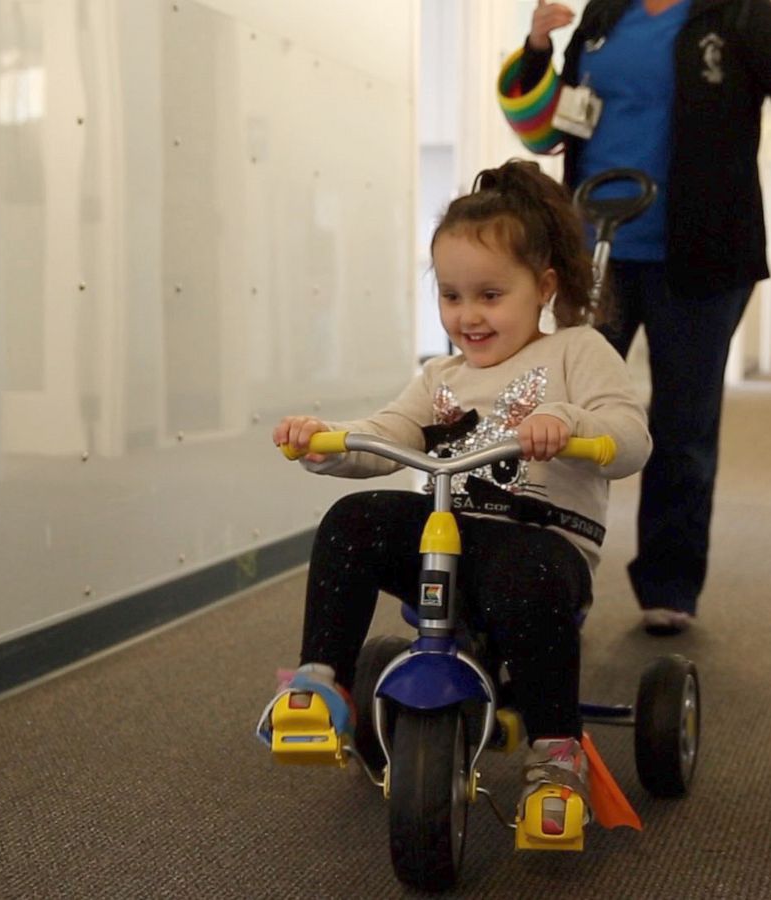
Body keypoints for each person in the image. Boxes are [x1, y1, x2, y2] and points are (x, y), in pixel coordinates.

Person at [257, 160, 651, 836]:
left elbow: (631, 437)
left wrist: (572, 425)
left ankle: (556, 754)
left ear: (543, 289)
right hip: (448, 535)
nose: (468, 316)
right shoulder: (438, 374)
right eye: (451, 296)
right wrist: (329, 442)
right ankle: (322, 680)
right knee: (355, 520)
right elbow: (386, 435)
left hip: (537, 543)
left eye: (490, 295)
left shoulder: (577, 352)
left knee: (527, 578)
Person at [500, 0, 771, 635]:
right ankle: (537, 576)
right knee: (556, 416)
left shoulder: (742, 17)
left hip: (705, 256)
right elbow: (547, 133)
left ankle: (669, 583)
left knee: (682, 425)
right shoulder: (604, 19)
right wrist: (539, 51)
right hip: (594, 253)